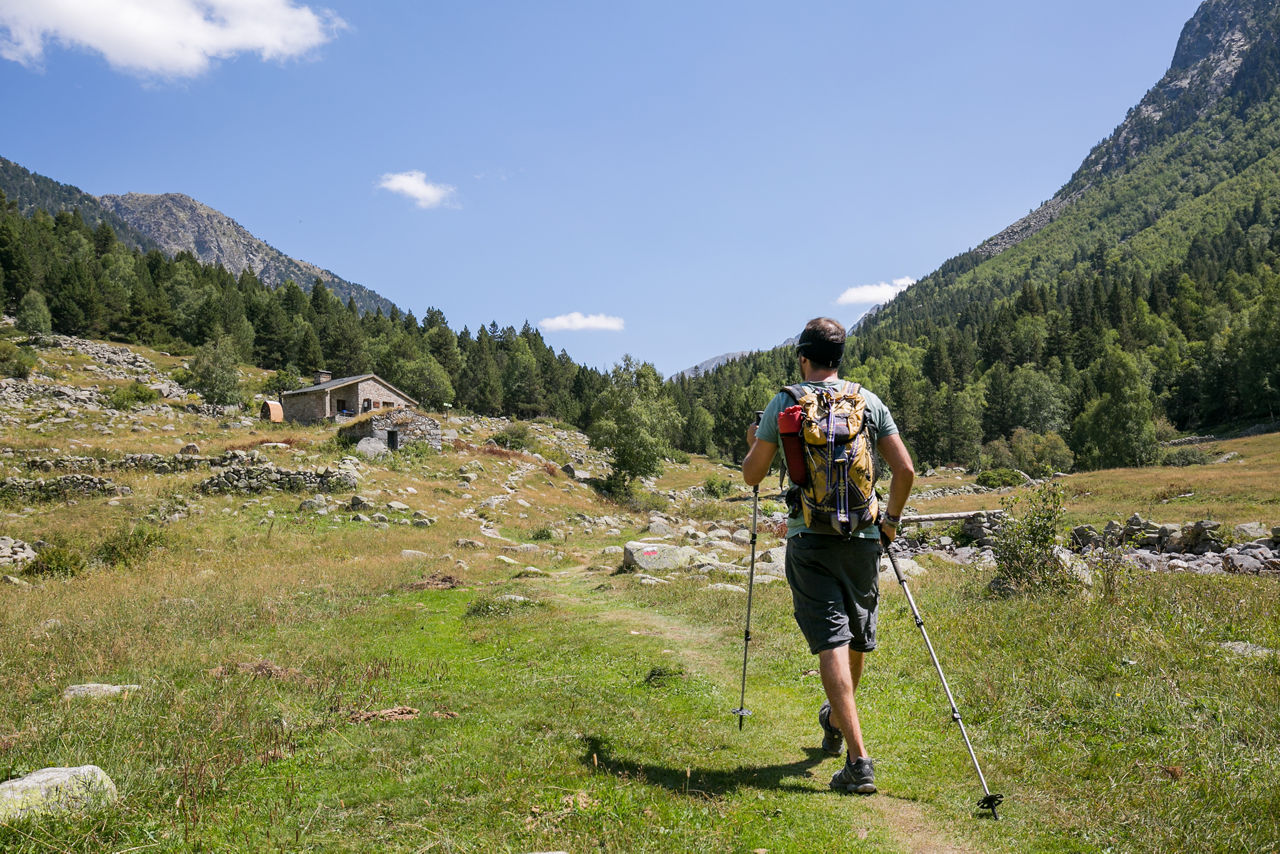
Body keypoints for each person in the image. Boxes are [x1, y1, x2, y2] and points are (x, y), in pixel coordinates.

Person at [741, 317, 915, 795]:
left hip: (810, 536)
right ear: (839, 358)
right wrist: (891, 523)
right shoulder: (868, 401)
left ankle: (859, 761)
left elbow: (752, 476)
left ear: (804, 357)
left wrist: (756, 439)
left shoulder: (786, 401)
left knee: (831, 641)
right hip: (863, 538)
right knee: (855, 638)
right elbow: (904, 470)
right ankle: (838, 720)